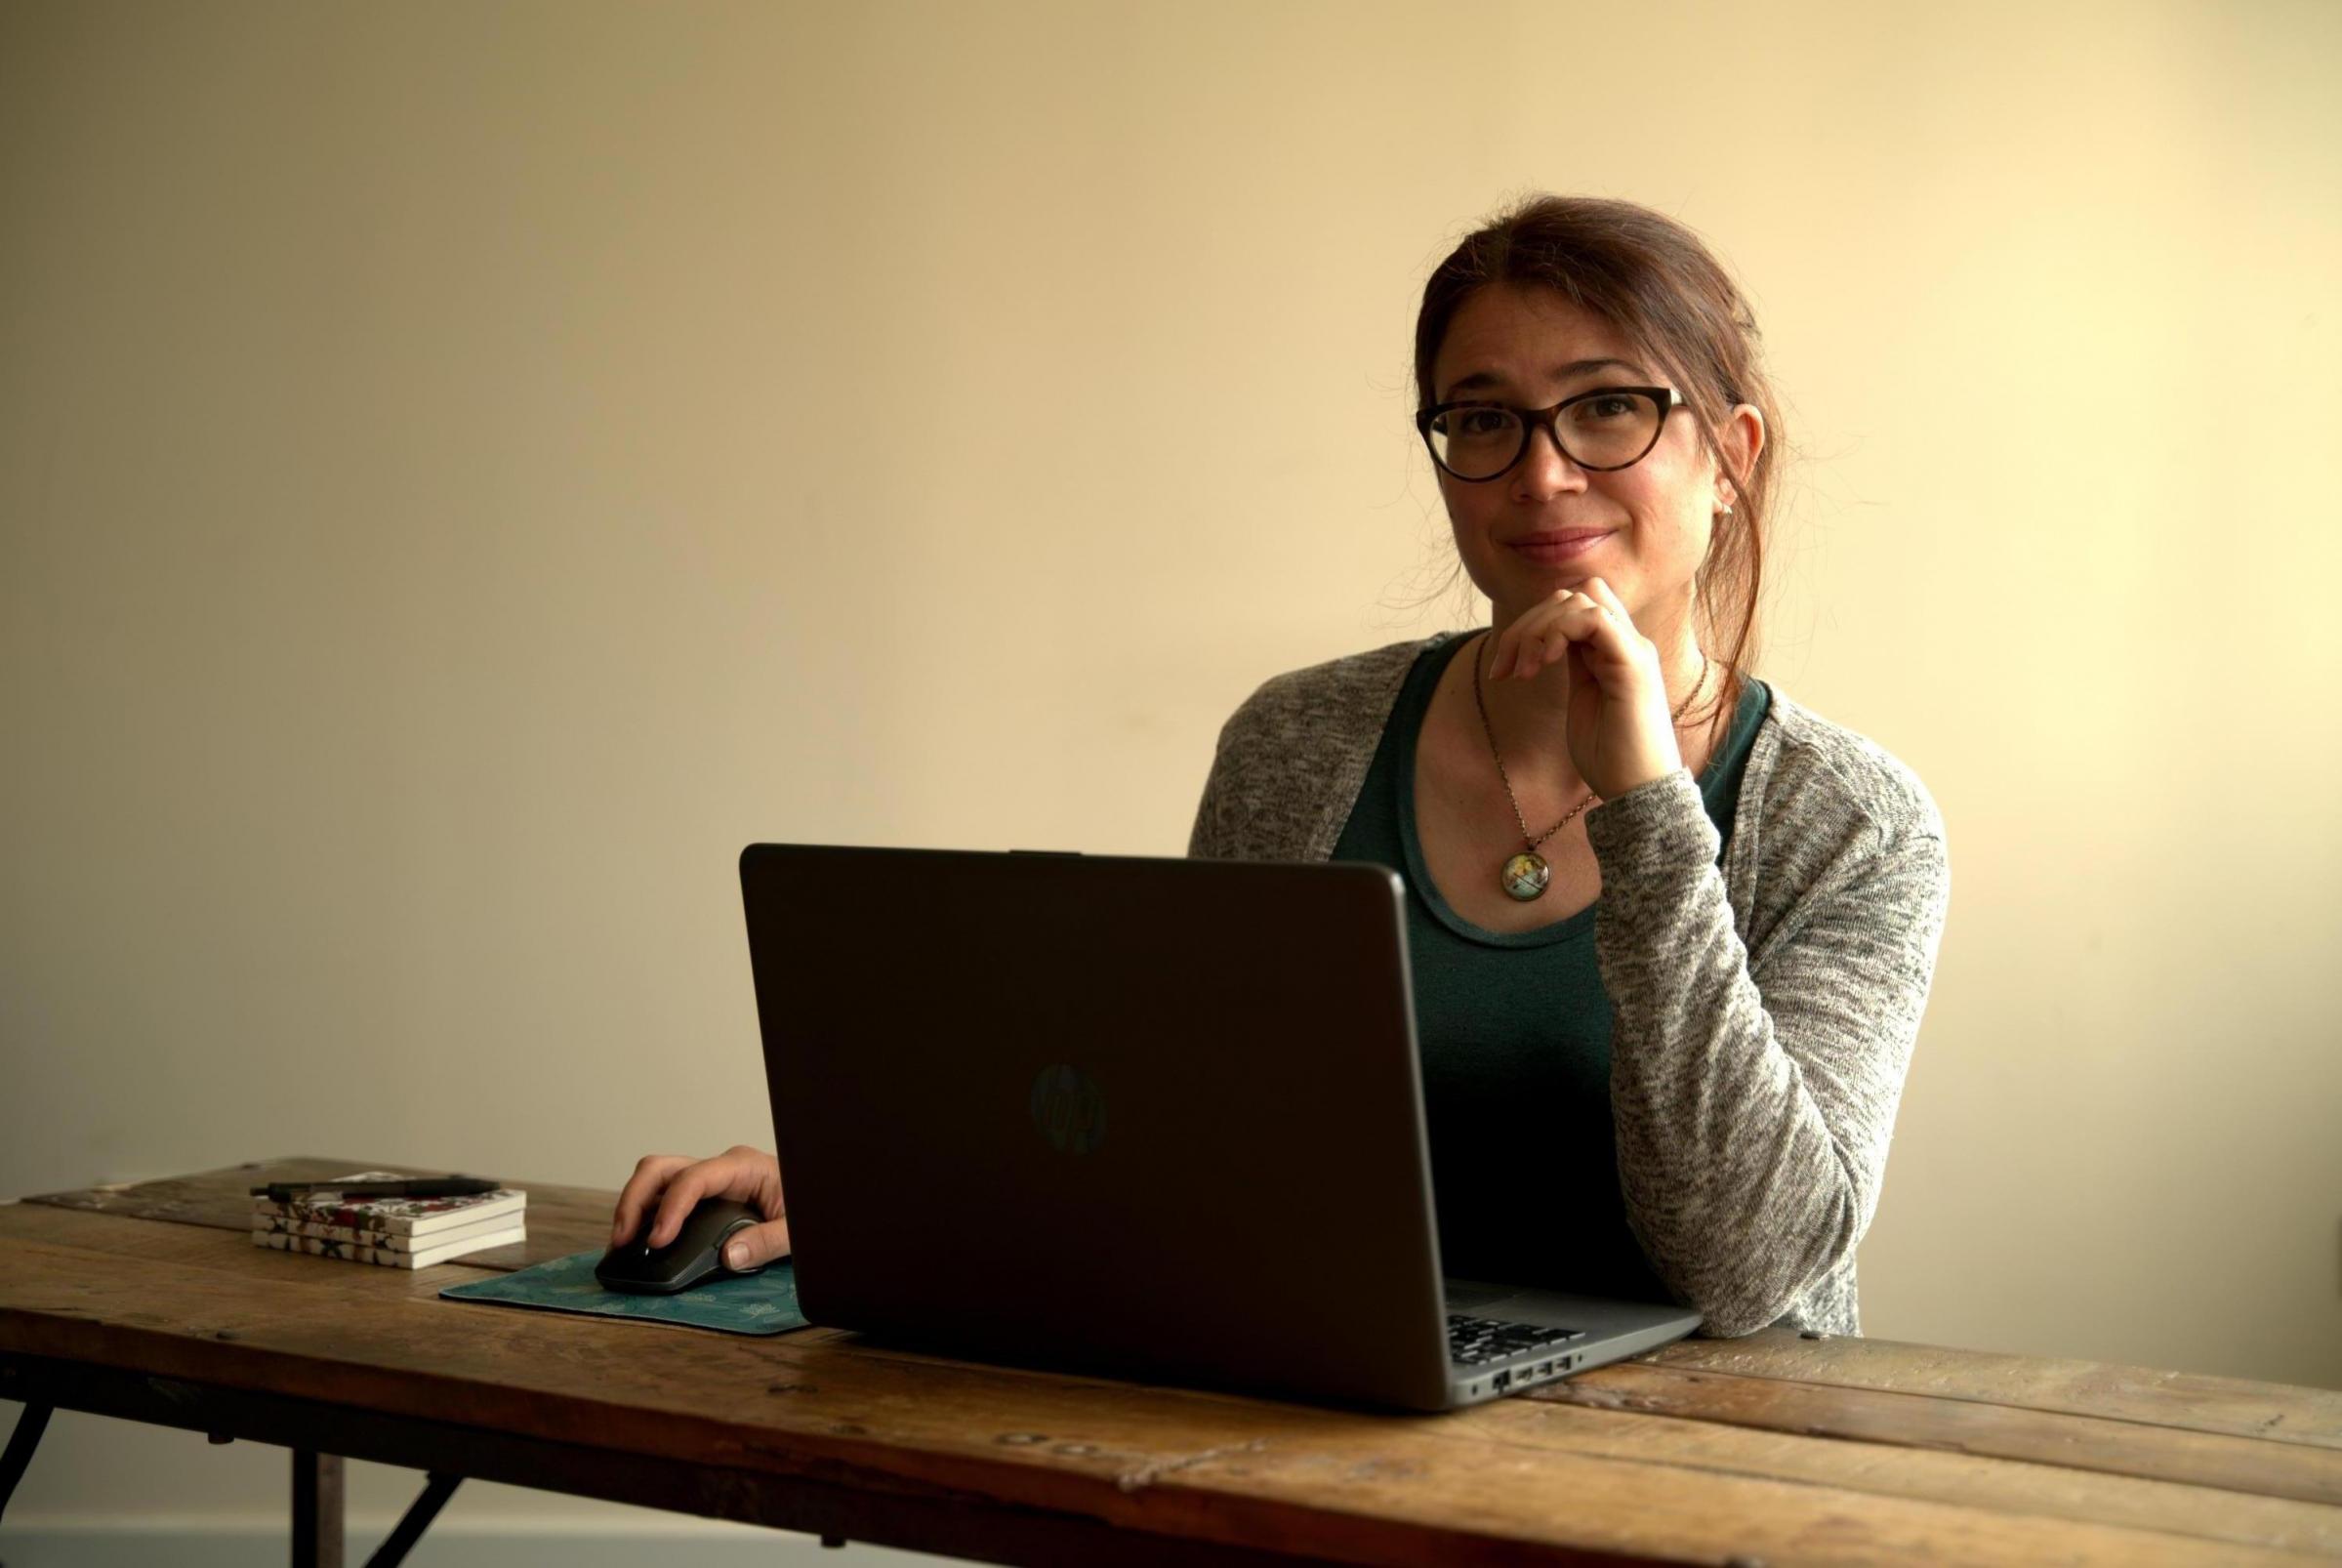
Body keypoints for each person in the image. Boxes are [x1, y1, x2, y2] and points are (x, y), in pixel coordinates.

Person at [611, 194, 1950, 1340]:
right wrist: (868, 1189)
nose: (1541, 474)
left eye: (1608, 408)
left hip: (1706, 1478)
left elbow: (1754, 1273)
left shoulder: (1853, 825)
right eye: (1483, 419)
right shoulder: (1300, 742)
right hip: (1322, 1419)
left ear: (1730, 455)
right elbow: (1184, 1142)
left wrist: (1654, 809)